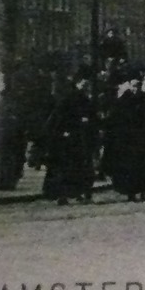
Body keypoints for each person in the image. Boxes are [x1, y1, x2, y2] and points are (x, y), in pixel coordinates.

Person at [101, 60, 145, 201]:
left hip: (142, 138)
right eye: (133, 85)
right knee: (130, 166)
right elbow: (115, 118)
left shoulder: (144, 99)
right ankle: (131, 191)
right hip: (128, 139)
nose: (135, 88)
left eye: (137, 85)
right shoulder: (123, 101)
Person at [41, 64, 98, 204]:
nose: (86, 85)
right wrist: (64, 131)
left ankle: (79, 193)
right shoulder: (69, 98)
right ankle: (64, 195)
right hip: (69, 139)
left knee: (79, 168)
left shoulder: (85, 99)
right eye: (83, 82)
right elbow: (60, 117)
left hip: (80, 139)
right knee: (67, 169)